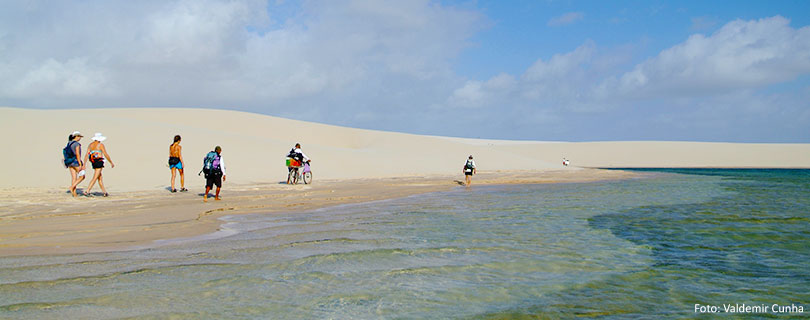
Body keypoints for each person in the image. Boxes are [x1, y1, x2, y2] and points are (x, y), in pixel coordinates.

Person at [64, 131, 85, 197]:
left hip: (70, 162)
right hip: (75, 162)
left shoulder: (69, 143)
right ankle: (72, 187)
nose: (80, 138)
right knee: (82, 176)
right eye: (79, 137)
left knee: (74, 178)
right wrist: (80, 164)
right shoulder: (76, 144)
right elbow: (78, 154)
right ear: (76, 136)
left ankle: (74, 193)